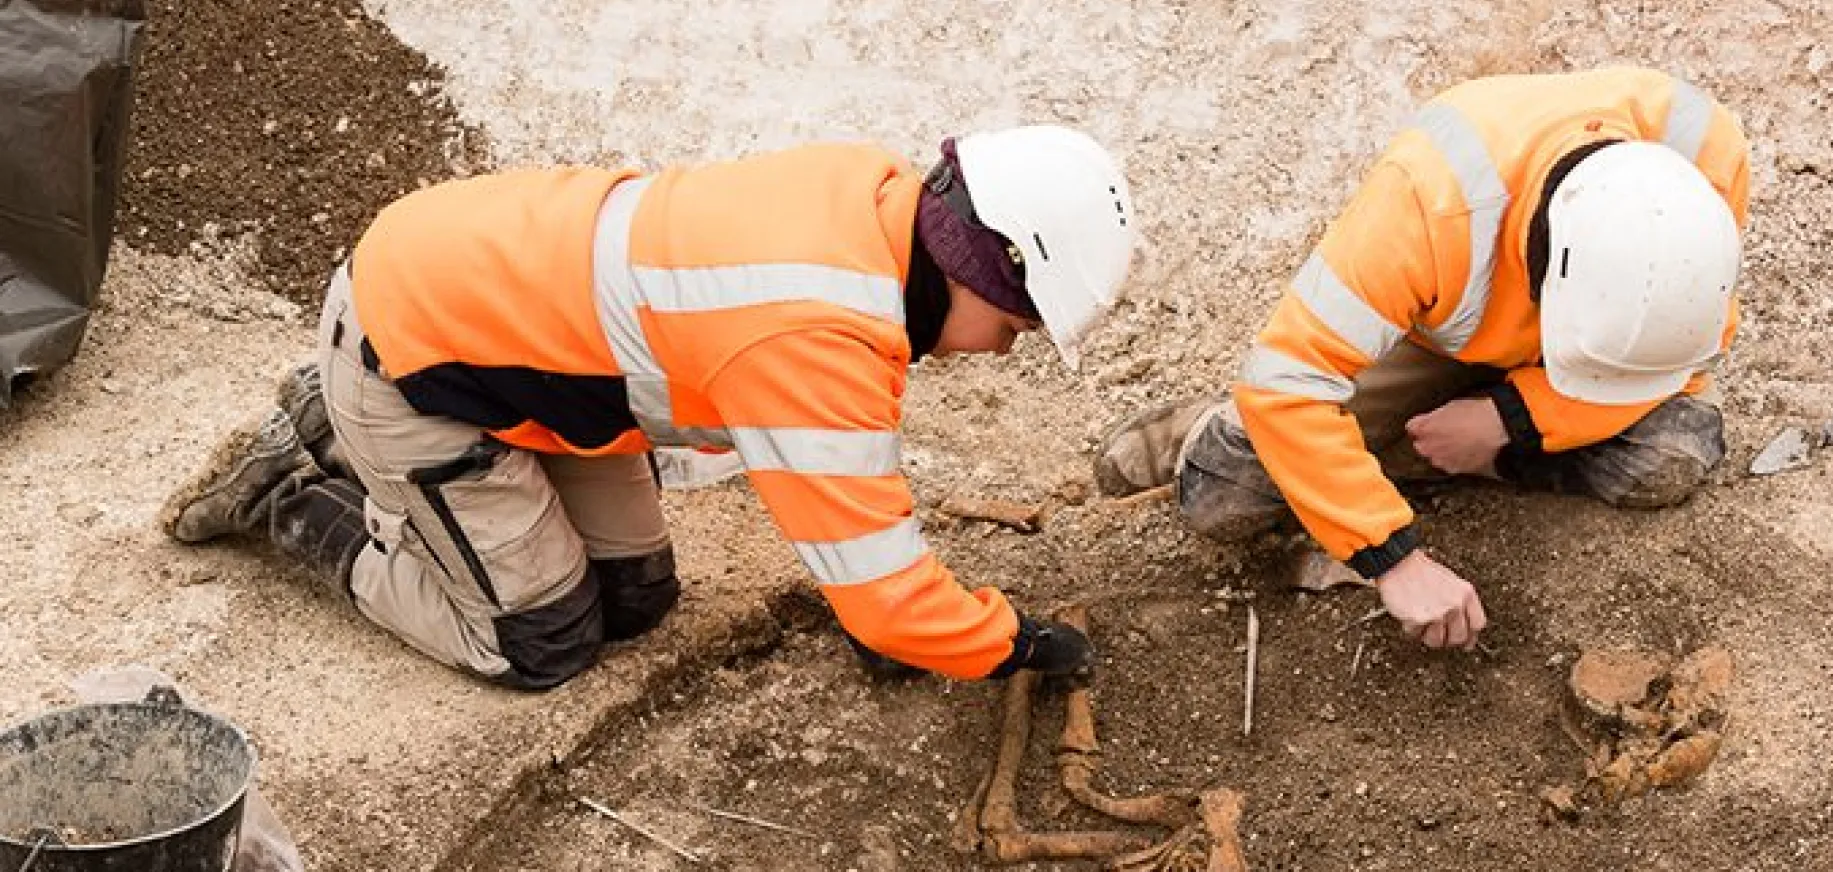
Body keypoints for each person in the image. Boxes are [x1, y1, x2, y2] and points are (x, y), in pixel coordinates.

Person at [162, 126, 1137, 690]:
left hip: (518, 335)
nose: (1005, 348)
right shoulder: (812, 339)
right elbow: (882, 596)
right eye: (1014, 324)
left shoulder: (873, 200)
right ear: (976, 263)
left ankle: (358, 427)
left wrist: (891, 608)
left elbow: (836, 485)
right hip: (411, 344)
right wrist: (1008, 641)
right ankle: (295, 489)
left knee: (635, 602)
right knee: (538, 644)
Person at [1093, 67, 1748, 651]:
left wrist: (1513, 418)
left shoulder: (1702, 162)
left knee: (1673, 457)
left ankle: (1410, 453)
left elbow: (1683, 354)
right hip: (1433, 335)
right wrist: (1393, 558)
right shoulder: (1426, 200)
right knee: (1221, 495)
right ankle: (1217, 426)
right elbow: (1289, 382)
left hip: (1573, 363)